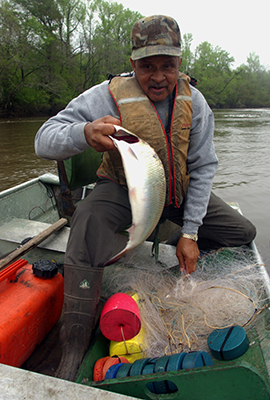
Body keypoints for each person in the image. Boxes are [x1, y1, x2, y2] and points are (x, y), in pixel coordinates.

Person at [35, 15, 256, 380]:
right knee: (86, 228)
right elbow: (44, 139)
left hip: (177, 193)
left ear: (179, 63)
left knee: (240, 232)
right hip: (122, 189)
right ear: (133, 63)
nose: (158, 77)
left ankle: (169, 245)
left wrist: (190, 233)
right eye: (147, 66)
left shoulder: (195, 102)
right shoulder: (105, 94)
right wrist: (84, 132)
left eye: (167, 66)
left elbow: (202, 168)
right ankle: (73, 344)